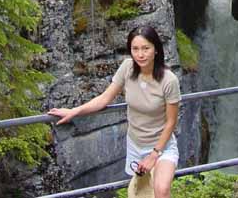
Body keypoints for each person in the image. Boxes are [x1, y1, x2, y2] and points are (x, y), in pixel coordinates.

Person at [48, 25, 181, 198]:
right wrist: (74, 111)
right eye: (135, 49)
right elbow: (104, 98)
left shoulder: (169, 80)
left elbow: (171, 121)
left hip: (162, 146)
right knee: (142, 193)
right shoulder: (127, 68)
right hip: (136, 145)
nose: (140, 54)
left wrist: (154, 154)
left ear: (156, 49)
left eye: (146, 48)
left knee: (161, 190)